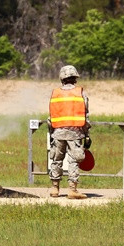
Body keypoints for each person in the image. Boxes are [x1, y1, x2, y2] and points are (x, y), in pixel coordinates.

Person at [48, 64, 89, 199]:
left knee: (56, 159)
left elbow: (51, 116)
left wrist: (52, 131)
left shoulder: (55, 93)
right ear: (75, 78)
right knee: (73, 161)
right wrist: (86, 133)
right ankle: (72, 190)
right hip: (75, 132)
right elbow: (85, 115)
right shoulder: (80, 93)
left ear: (62, 78)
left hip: (58, 132)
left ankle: (55, 189)